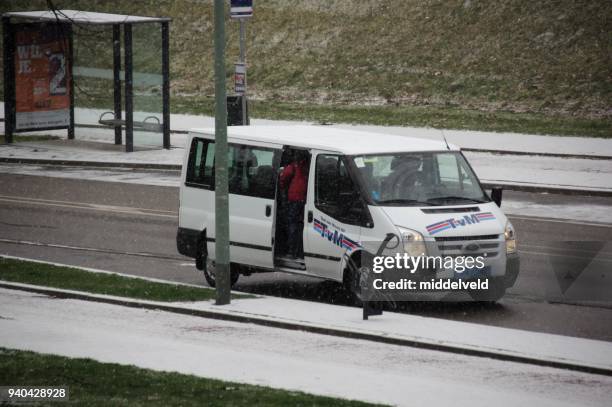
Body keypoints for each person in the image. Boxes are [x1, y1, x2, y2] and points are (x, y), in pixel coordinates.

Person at [279, 151, 308, 259]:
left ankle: (291, 251)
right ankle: (300, 251)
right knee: (301, 225)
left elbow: (284, 177)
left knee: (292, 223)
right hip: (304, 199)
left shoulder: (294, 166)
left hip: (295, 199)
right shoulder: (307, 167)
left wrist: (281, 185)